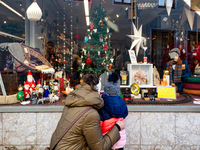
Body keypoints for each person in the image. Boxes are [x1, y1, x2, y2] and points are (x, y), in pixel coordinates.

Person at [50, 74, 126, 150]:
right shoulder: (90, 114)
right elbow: (99, 148)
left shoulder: (72, 103)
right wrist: (117, 127)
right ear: (98, 91)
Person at [98, 72, 128, 150]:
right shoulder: (121, 102)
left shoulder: (103, 103)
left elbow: (100, 121)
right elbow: (125, 112)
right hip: (120, 138)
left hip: (108, 138)